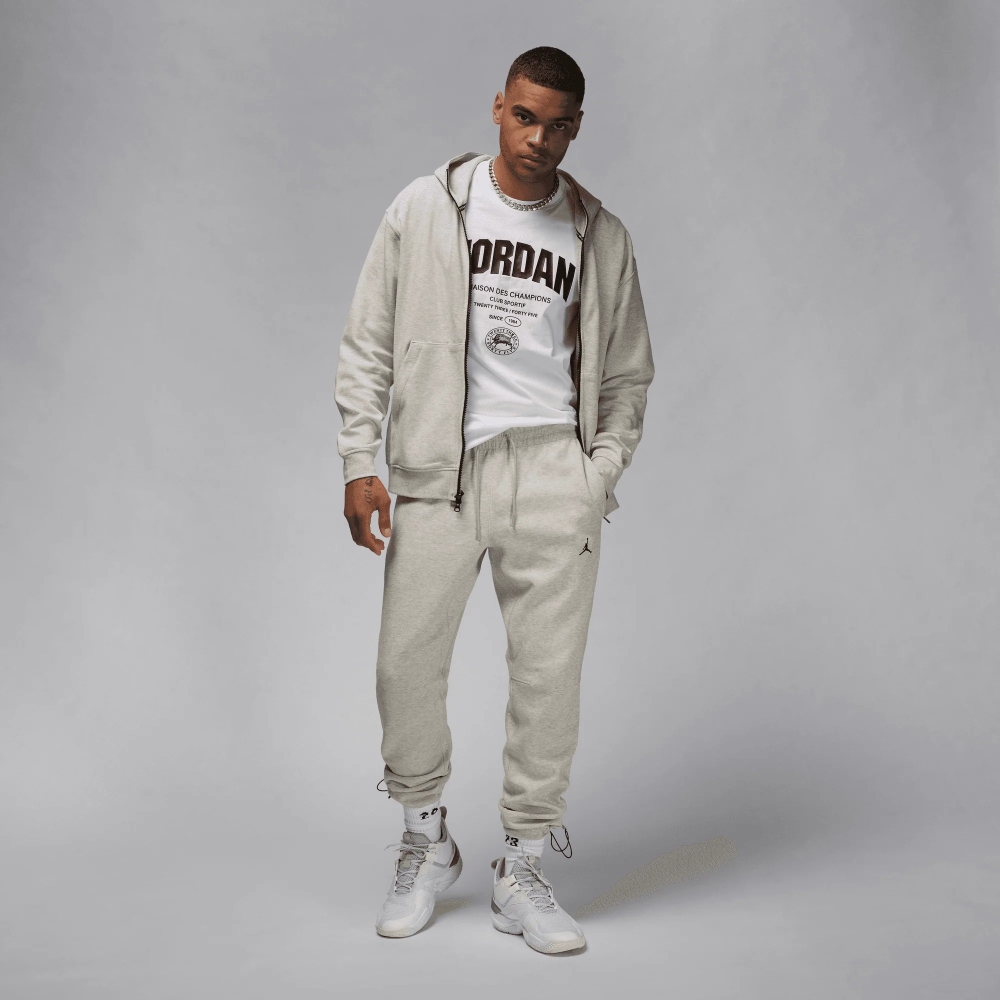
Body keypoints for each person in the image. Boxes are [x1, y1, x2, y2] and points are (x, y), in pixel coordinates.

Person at [335, 46, 653, 954]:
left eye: (557, 124)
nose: (538, 138)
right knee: (405, 666)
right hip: (442, 471)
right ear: (497, 108)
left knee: (548, 680)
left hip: (553, 474)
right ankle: (426, 841)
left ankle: (522, 866)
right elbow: (368, 339)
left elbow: (627, 374)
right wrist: (360, 459)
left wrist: (595, 477)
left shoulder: (600, 236)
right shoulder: (426, 207)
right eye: (524, 116)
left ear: (576, 128)